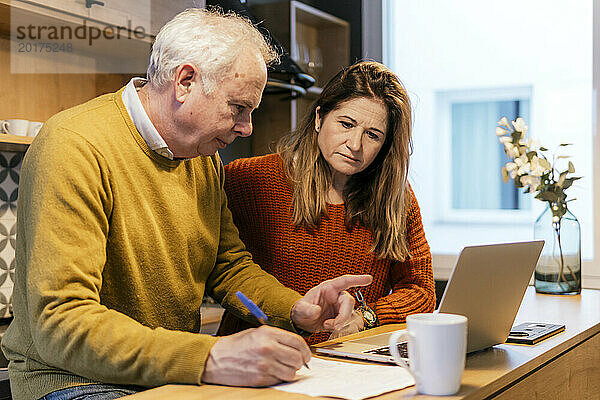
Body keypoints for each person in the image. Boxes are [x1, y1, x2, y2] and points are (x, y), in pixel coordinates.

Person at [0, 9, 372, 400]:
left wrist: (297, 309)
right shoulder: (75, 144)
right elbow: (62, 323)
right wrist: (211, 356)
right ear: (186, 82)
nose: (247, 127)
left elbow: (229, 269)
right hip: (75, 381)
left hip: (165, 377)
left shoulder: (202, 157)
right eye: (238, 108)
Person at [217, 61, 436, 344]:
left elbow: (420, 292)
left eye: (372, 135)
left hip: (349, 362)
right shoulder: (251, 178)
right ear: (319, 118)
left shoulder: (395, 198)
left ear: (385, 145)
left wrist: (365, 316)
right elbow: (220, 270)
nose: (354, 144)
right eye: (346, 124)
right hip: (259, 359)